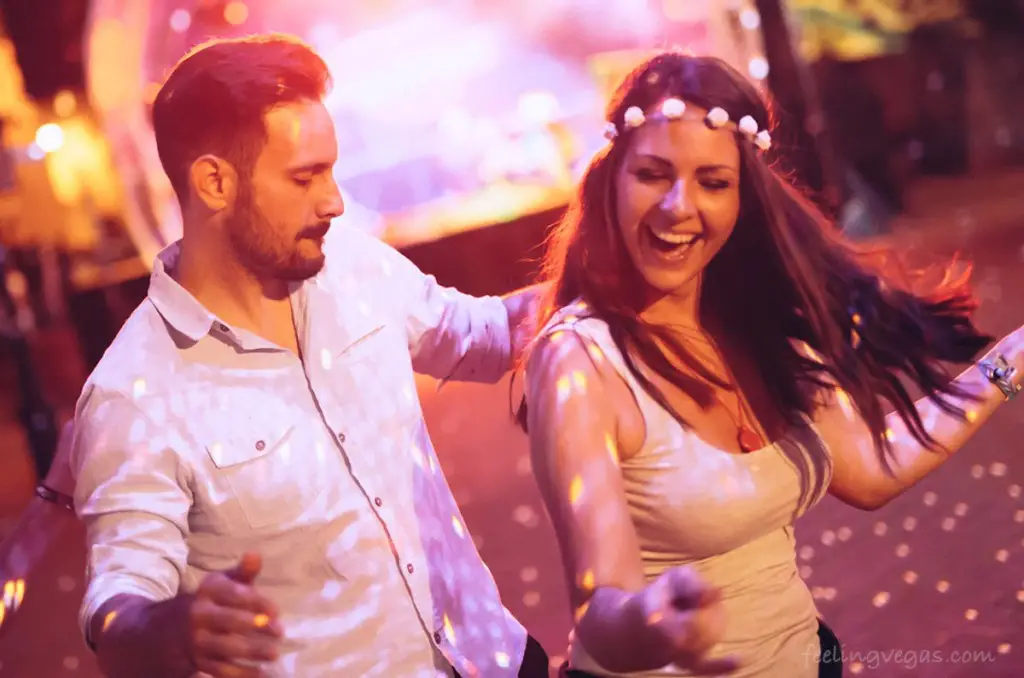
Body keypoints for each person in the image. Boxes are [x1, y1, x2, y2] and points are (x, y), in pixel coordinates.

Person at [69, 33, 567, 678]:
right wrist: (169, 629)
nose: (333, 201)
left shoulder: (350, 265)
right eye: (305, 177)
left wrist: (605, 269)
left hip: (494, 658)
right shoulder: (131, 397)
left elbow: (485, 336)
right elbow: (116, 605)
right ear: (214, 182)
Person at [517, 51, 1022, 678]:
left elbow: (868, 469)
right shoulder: (579, 362)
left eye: (713, 181)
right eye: (652, 174)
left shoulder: (762, 322)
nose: (679, 206)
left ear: (744, 197)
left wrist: (1011, 362)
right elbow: (603, 609)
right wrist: (656, 623)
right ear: (610, 176)